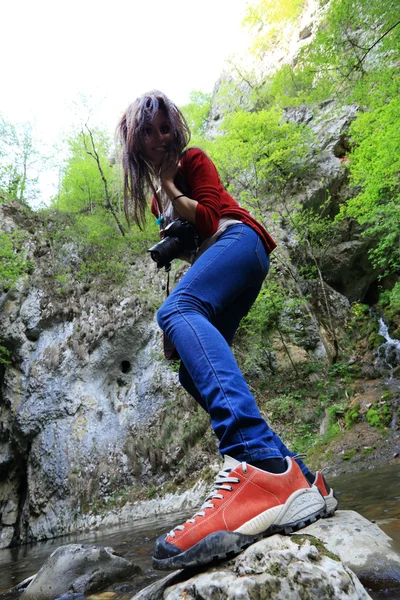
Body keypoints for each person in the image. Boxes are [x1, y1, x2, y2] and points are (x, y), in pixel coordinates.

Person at [118, 90, 337, 571]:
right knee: (188, 371)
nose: (160, 138)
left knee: (177, 312)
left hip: (242, 239)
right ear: (134, 143)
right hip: (224, 262)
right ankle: (301, 481)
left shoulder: (191, 160)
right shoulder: (157, 195)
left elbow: (213, 218)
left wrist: (174, 187)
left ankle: (253, 461)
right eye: (148, 132)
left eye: (164, 128)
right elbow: (193, 248)